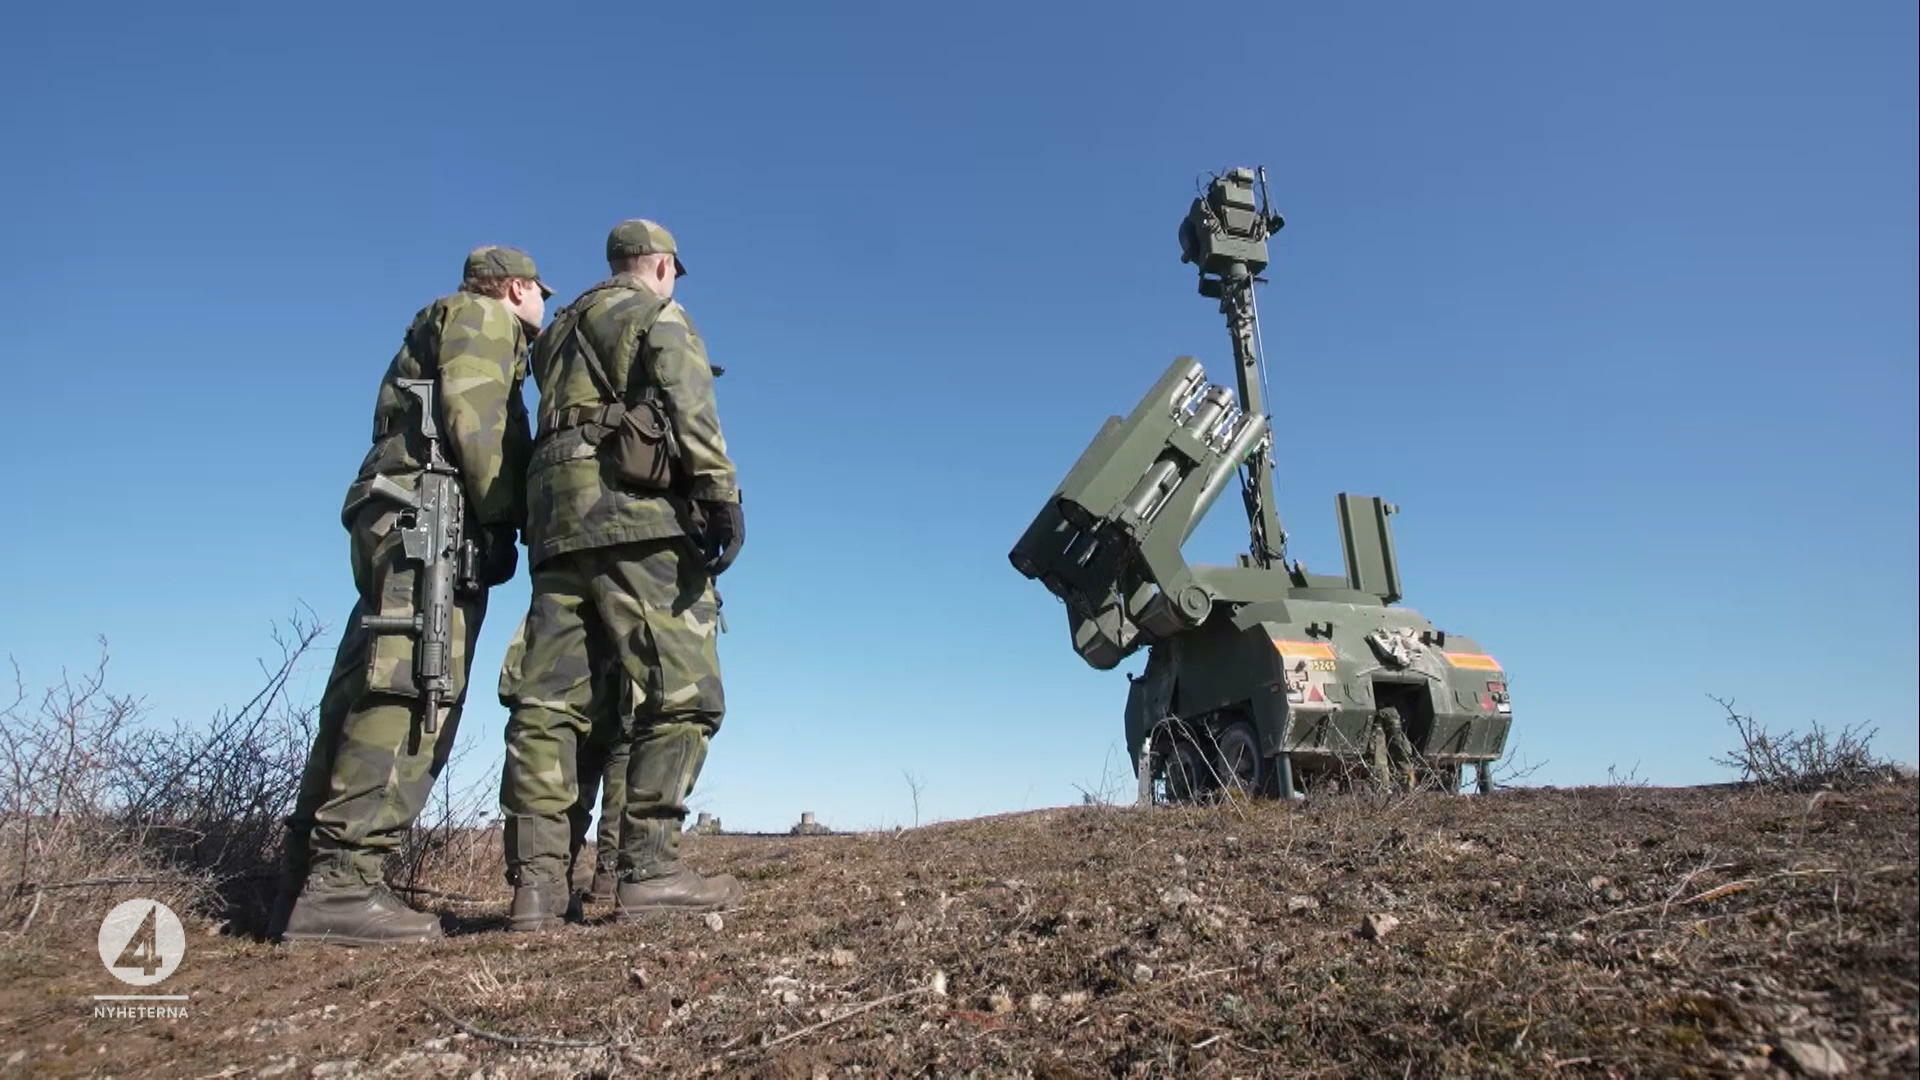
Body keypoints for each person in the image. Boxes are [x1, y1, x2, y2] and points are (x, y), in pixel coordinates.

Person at [277, 247, 546, 946]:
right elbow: (476, 427)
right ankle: (340, 888)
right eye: (538, 293)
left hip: (398, 509)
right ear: (517, 287)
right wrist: (515, 518)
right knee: (414, 684)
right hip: (431, 516)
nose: (542, 306)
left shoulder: (442, 320)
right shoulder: (486, 320)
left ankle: (301, 878)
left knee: (368, 680)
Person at [497, 219, 743, 932]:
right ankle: (650, 870)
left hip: (556, 522)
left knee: (550, 703)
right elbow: (687, 400)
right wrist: (720, 493)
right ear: (662, 267)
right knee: (685, 690)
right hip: (636, 517)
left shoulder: (559, 329)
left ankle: (537, 888)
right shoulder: (660, 314)